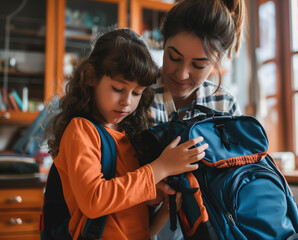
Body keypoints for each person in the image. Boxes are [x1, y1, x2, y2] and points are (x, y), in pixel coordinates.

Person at [45, 28, 208, 240]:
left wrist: (166, 210)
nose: (127, 102)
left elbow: (140, 233)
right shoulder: (81, 130)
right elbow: (95, 201)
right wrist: (159, 168)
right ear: (91, 77)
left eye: (137, 93)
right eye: (118, 88)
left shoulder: (129, 138)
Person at [147, 0, 246, 239]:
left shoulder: (225, 105)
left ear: (216, 61)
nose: (182, 74)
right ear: (163, 43)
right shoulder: (137, 96)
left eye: (199, 65)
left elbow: (238, 186)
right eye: (174, 57)